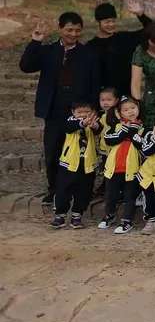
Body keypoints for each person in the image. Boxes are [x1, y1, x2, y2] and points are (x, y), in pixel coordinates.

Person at [20, 13, 100, 204]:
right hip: (53, 109)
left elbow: (95, 83)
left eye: (77, 30)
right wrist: (36, 41)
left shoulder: (89, 54)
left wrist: (93, 109)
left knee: (80, 152)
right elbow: (26, 66)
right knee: (53, 151)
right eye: (69, 30)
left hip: (79, 111)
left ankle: (80, 190)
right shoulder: (48, 51)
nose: (73, 34)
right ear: (60, 28)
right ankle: (54, 189)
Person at [49, 101, 101, 228]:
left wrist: (94, 125)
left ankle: (77, 215)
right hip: (69, 163)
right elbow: (69, 127)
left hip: (87, 164)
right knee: (63, 190)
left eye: (87, 112)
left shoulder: (93, 121)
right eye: (79, 112)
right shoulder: (69, 121)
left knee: (84, 191)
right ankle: (60, 215)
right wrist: (82, 123)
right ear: (73, 112)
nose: (83, 114)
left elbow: (99, 129)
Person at [88, 0, 152, 96]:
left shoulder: (124, 38)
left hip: (126, 98)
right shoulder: (91, 46)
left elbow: (152, 31)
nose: (111, 24)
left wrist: (141, 15)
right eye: (107, 22)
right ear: (98, 22)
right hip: (104, 99)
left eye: (113, 21)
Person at [99, 97, 143, 234]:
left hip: (132, 169)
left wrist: (133, 129)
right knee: (110, 195)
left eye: (133, 108)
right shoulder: (115, 127)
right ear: (119, 113)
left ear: (138, 109)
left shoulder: (143, 128)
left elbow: (141, 145)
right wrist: (125, 129)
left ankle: (127, 221)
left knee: (130, 197)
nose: (130, 111)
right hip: (113, 168)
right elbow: (109, 140)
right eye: (126, 110)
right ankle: (110, 215)